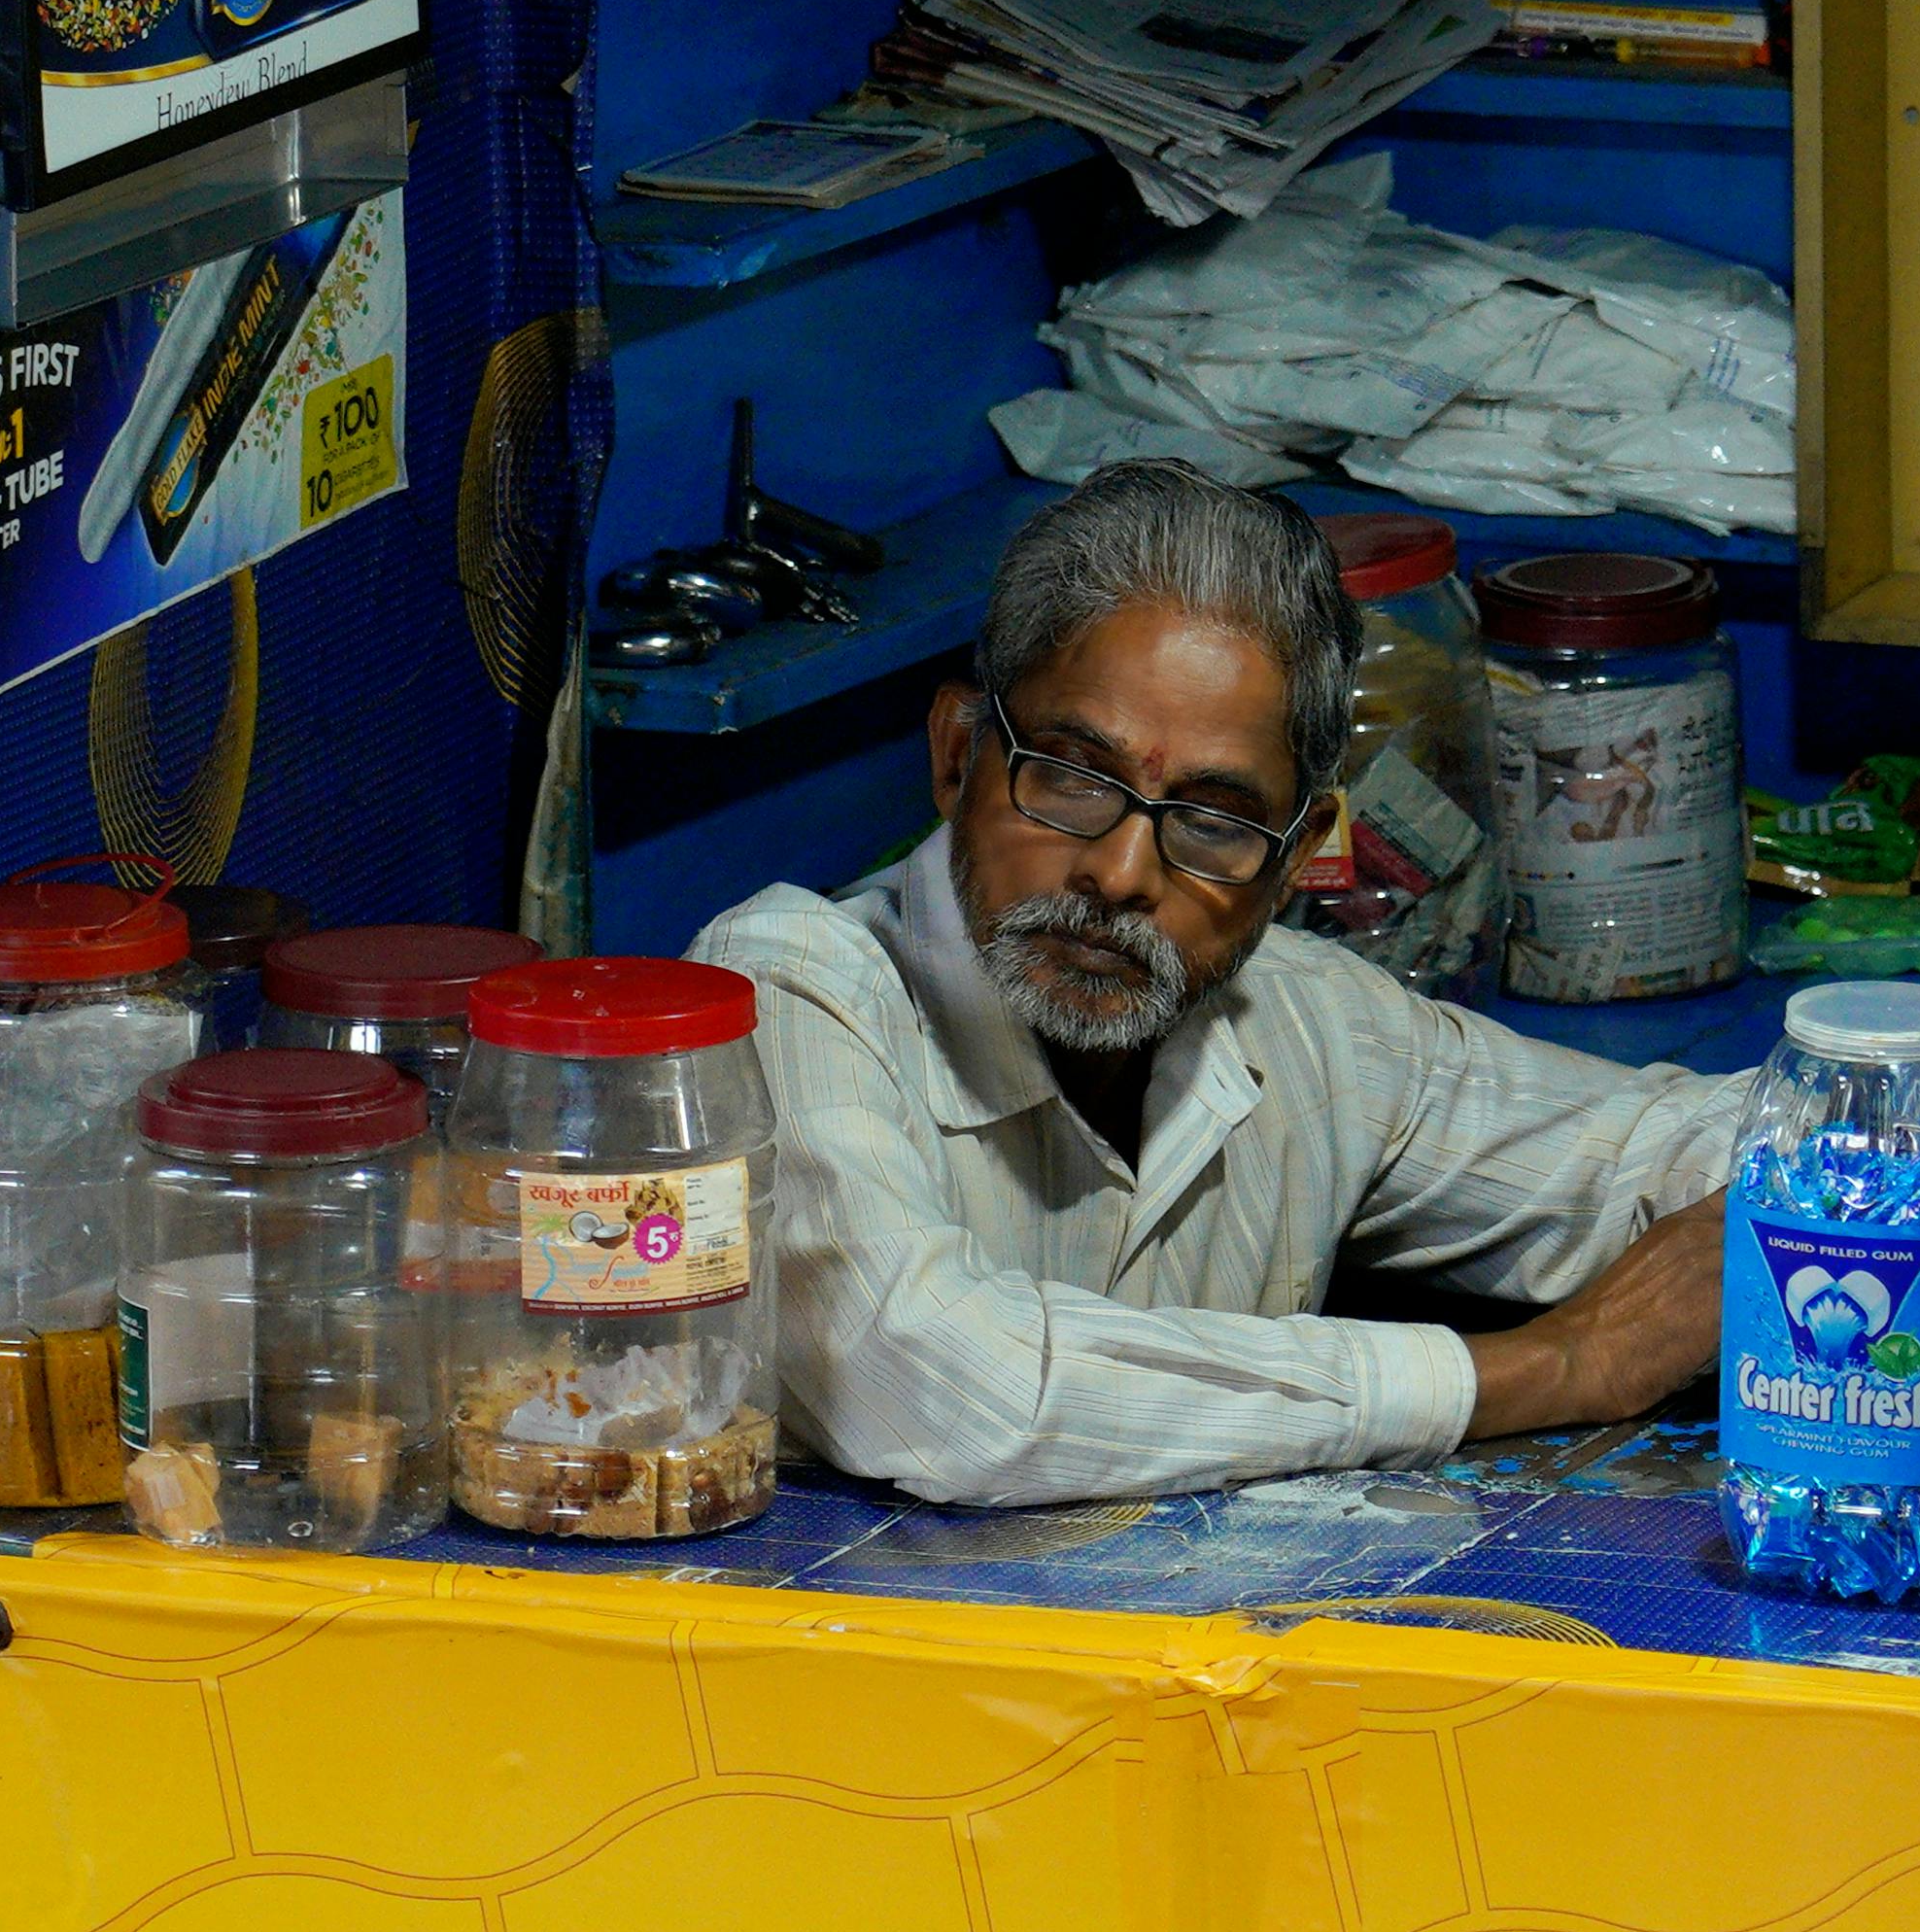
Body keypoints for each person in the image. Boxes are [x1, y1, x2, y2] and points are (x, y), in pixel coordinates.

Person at [690, 461, 1742, 1509]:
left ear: (1296, 861)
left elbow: (1705, 1147)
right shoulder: (781, 995)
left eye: (1215, 822)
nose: (1120, 873)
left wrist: (1819, 1182)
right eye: (1070, 775)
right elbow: (950, 1386)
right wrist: (1557, 1363)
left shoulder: (1312, 1023)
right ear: (959, 753)